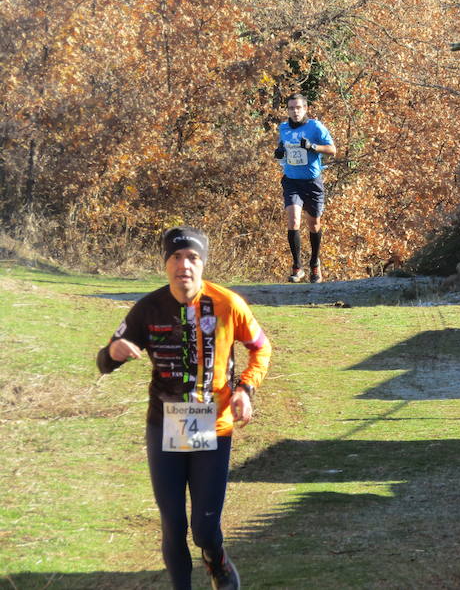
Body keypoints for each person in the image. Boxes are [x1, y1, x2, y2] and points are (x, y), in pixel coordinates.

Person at [96, 227, 272, 590]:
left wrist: (246, 389)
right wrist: (113, 354)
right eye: (176, 257)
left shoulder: (227, 304)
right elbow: (105, 359)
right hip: (164, 425)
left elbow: (261, 347)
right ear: (165, 264)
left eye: (192, 257)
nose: (184, 265)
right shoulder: (149, 307)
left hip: (215, 424)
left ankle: (216, 558)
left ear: (203, 263)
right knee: (173, 524)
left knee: (204, 529)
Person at [273, 93, 337, 283]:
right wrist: (278, 153)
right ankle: (297, 266)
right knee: (293, 221)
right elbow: (282, 151)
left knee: (314, 225)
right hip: (292, 181)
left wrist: (313, 147)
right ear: (288, 110)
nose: (295, 111)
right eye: (291, 108)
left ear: (305, 108)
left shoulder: (315, 127)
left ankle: (314, 264)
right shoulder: (283, 128)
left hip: (312, 182)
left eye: (298, 108)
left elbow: (332, 150)